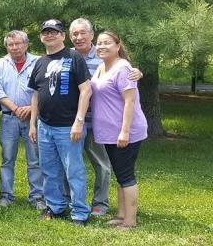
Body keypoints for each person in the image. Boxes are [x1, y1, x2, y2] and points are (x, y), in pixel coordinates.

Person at [69, 18, 142, 216]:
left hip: (108, 125)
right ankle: (118, 215)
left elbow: (128, 96)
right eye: (74, 34)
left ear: (91, 34)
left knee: (106, 167)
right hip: (85, 123)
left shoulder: (111, 61)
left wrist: (136, 72)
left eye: (83, 32)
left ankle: (104, 205)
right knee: (71, 165)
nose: (79, 37)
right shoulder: (70, 57)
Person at [28, 19, 92, 227]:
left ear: (62, 36)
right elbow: (36, 95)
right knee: (49, 170)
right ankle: (55, 206)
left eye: (54, 32)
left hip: (68, 127)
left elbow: (86, 90)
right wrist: (32, 124)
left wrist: (79, 121)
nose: (49, 35)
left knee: (74, 170)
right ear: (41, 37)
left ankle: (80, 213)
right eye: (46, 32)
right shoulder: (39, 62)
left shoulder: (74, 57)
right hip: (44, 126)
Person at [91, 31, 148, 230]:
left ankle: (130, 221)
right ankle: (121, 214)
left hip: (125, 132)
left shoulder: (123, 68)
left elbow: (130, 100)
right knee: (120, 172)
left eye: (107, 43)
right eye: (98, 43)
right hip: (109, 132)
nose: (101, 46)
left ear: (117, 46)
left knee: (126, 175)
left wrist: (124, 132)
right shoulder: (100, 67)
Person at [0, 30, 45, 210]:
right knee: (7, 158)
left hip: (33, 118)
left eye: (18, 44)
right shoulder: (1, 63)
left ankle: (37, 196)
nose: (14, 48)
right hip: (9, 117)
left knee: (35, 159)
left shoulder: (38, 62)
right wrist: (15, 108)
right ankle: (6, 196)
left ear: (26, 44)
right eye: (10, 44)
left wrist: (31, 109)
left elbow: (42, 89)